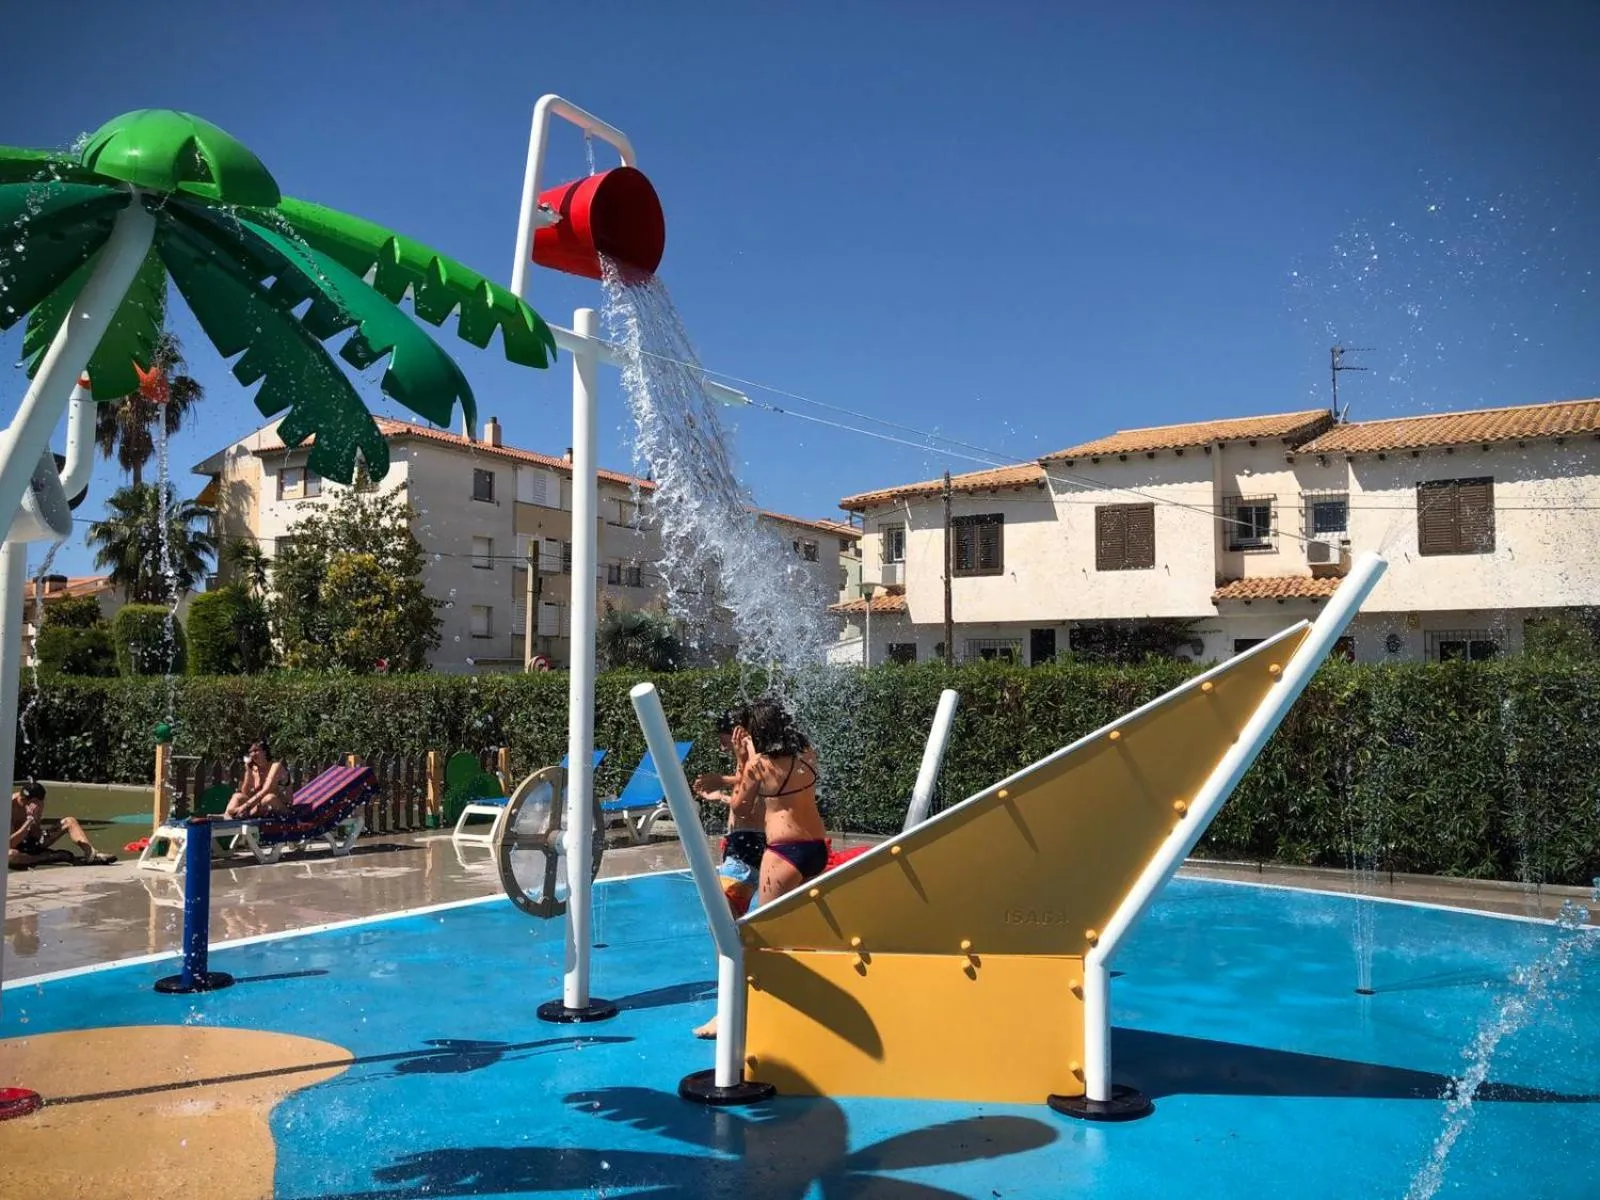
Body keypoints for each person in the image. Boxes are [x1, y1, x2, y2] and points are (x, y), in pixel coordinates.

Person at [689, 705, 765, 1039]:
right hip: (748, 843)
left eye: (725, 739)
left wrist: (723, 791)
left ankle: (729, 1010)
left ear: (738, 732)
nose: (724, 746)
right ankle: (743, 1001)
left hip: (746, 847)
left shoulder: (751, 751)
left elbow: (747, 798)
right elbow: (748, 783)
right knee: (732, 924)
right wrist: (721, 786)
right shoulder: (758, 751)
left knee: (721, 925)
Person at [9, 781, 113, 868]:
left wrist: (34, 820)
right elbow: (10, 844)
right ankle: (48, 857)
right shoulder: (8, 806)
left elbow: (36, 834)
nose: (22, 801)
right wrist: (29, 820)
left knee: (69, 821)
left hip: (32, 842)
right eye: (22, 799)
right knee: (10, 856)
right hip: (15, 846)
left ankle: (91, 854)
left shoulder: (37, 805)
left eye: (26, 800)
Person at [224, 741, 291, 819]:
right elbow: (245, 793)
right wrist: (248, 771)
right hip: (260, 806)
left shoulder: (275, 766)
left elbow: (266, 789)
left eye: (256, 750)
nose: (252, 754)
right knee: (237, 796)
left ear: (265, 752)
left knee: (269, 798)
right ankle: (227, 817)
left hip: (282, 807)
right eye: (250, 752)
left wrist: (244, 806)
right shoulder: (253, 769)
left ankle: (240, 813)